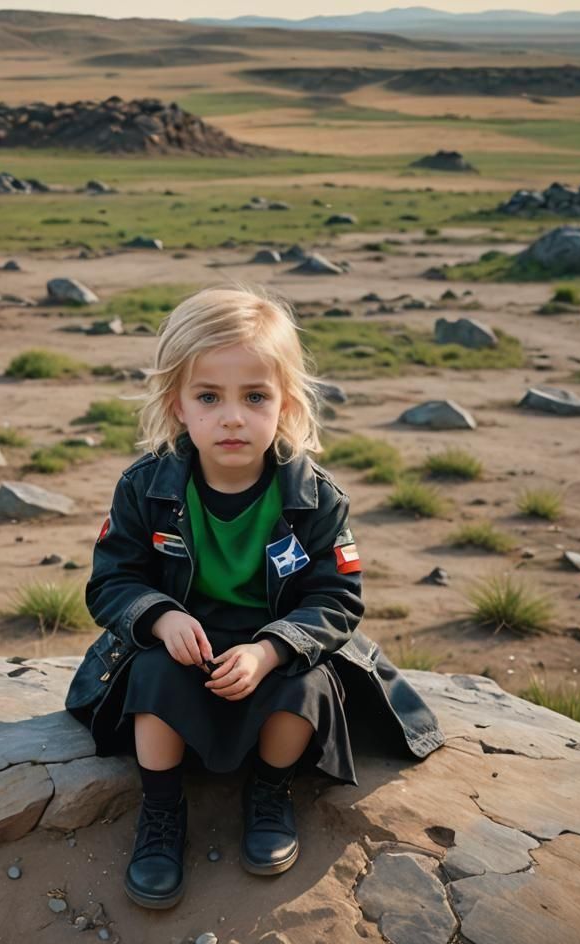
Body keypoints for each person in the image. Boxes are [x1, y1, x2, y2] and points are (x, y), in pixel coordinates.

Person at [65, 285, 444, 910]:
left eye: (255, 397)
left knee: (309, 686)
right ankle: (161, 814)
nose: (232, 417)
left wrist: (272, 650)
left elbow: (337, 599)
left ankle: (270, 793)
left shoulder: (316, 496)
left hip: (274, 646)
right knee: (152, 679)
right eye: (209, 396)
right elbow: (111, 580)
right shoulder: (145, 488)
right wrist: (158, 619)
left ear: (285, 405)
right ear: (177, 405)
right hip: (184, 647)